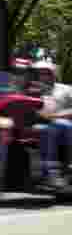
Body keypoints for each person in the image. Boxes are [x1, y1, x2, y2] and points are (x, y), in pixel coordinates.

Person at [30, 60, 72, 189]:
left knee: (60, 125)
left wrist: (56, 116)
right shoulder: (34, 91)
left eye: (46, 73)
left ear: (53, 74)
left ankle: (54, 170)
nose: (43, 76)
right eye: (41, 74)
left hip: (63, 122)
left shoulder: (66, 89)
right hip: (39, 124)